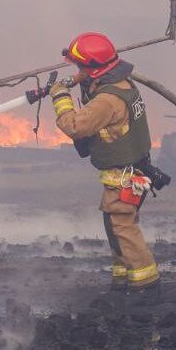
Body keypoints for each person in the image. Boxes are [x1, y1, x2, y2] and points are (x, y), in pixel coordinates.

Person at [48, 32, 159, 291]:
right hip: (130, 172)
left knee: (123, 228)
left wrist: (60, 97)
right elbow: (94, 82)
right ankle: (122, 281)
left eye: (81, 67)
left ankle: (147, 286)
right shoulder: (121, 84)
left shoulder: (108, 101)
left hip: (124, 177)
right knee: (115, 227)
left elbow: (76, 126)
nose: (79, 71)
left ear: (94, 68)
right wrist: (75, 79)